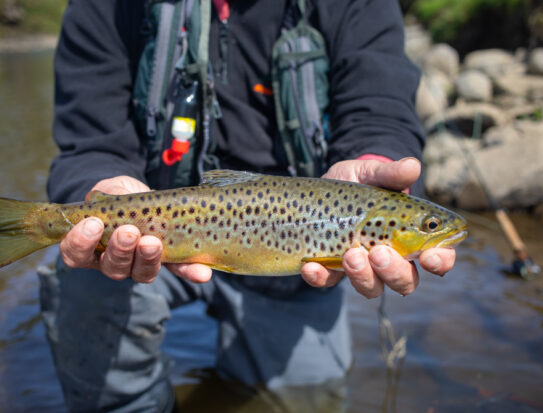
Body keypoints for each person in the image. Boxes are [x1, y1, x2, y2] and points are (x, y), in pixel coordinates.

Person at [40, 0, 457, 411]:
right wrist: (96, 186)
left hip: (290, 276)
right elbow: (89, 139)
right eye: (431, 226)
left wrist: (378, 160)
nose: (436, 232)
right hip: (148, 239)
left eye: (429, 226)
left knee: (304, 401)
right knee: (79, 274)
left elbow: (379, 104)